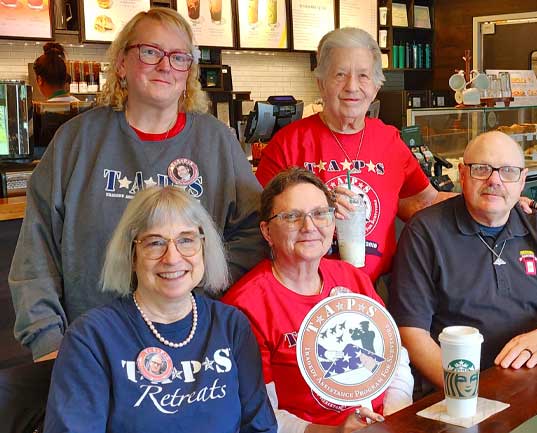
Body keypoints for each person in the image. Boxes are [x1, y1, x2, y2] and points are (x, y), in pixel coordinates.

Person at [10, 7, 265, 363]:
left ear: (188, 72)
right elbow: (36, 251)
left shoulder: (218, 143)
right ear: (121, 63)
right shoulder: (77, 142)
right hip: (89, 351)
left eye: (179, 57)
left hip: (192, 349)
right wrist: (48, 340)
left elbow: (255, 234)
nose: (165, 65)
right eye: (150, 52)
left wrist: (201, 278)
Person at [255, 27, 537, 284]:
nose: (352, 87)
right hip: (306, 288)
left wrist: (501, 200)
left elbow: (424, 202)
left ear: (377, 85)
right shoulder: (288, 143)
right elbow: (262, 221)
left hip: (374, 289)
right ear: (321, 83)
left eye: (364, 76)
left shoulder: (388, 140)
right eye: (339, 75)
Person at [44, 186, 277, 433]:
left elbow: (259, 426)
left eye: (186, 240)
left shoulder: (232, 325)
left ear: (204, 248)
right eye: (155, 243)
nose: (172, 258)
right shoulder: (90, 338)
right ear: (132, 255)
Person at [388, 131, 537, 391]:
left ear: (522, 180)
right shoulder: (425, 232)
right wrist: (465, 390)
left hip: (533, 380)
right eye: (482, 169)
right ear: (462, 174)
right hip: (455, 388)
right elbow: (411, 331)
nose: (494, 180)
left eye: (508, 171)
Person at [222, 168, 413, 433]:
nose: (309, 227)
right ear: (266, 231)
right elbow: (262, 415)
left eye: (320, 214)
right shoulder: (246, 306)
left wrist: (394, 416)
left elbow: (395, 358)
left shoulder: (351, 277)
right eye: (291, 217)